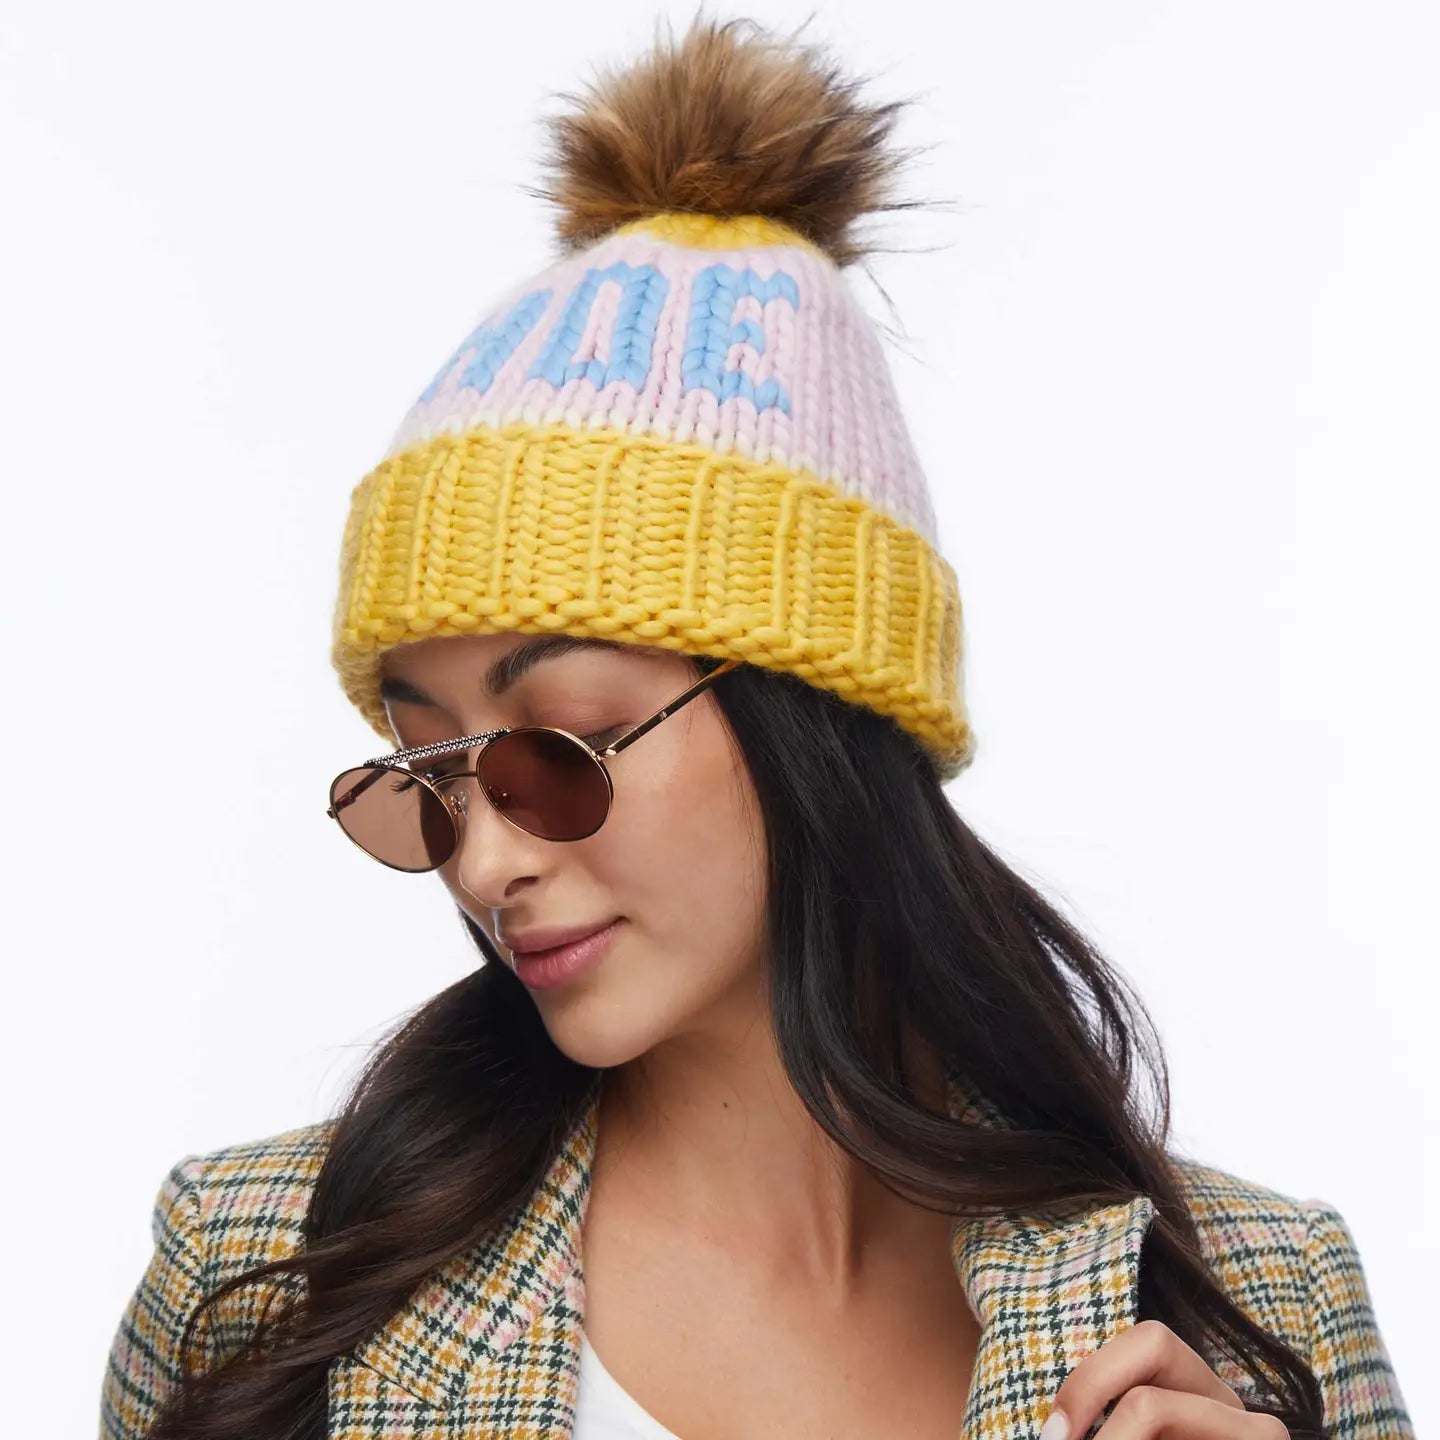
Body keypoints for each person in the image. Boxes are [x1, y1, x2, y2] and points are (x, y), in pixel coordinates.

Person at [98, 12, 1413, 1440]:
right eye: (430, 777)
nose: (485, 868)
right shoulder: (264, 1278)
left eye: (566, 747)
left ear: (820, 723)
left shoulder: (1258, 1302)